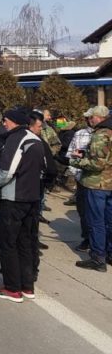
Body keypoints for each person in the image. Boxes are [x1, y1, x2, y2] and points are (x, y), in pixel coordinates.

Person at [0, 107, 46, 302]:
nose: (3, 124)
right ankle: (27, 286)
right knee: (25, 242)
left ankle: (12, 288)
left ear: (12, 121)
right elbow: (46, 168)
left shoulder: (16, 139)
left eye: (5, 120)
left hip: (14, 198)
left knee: (8, 243)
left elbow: (7, 171)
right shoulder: (36, 139)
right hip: (32, 198)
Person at [71, 106, 112, 272]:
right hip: (109, 183)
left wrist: (77, 161)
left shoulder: (101, 134)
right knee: (109, 220)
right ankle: (109, 253)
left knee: (96, 221)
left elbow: (98, 163)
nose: (89, 120)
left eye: (91, 117)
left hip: (97, 184)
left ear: (99, 117)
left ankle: (97, 257)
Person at [66, 110, 94, 251]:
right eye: (88, 117)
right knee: (83, 211)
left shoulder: (107, 134)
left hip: (102, 182)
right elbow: (71, 154)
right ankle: (87, 239)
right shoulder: (80, 134)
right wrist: (77, 173)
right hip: (82, 179)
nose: (90, 120)